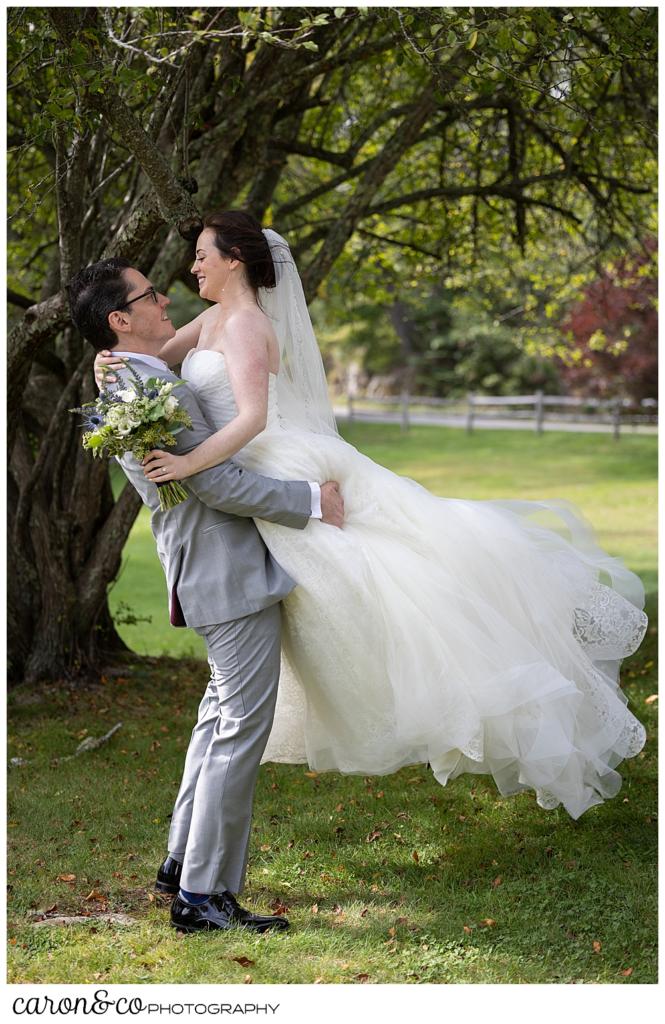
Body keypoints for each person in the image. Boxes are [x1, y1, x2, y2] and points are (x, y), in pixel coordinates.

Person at [95, 211, 648, 822]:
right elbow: (150, 359)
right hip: (241, 470)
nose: (192, 265)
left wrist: (190, 462)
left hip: (265, 457)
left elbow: (251, 417)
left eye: (203, 254)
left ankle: (447, 686)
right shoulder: (211, 319)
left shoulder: (248, 325)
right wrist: (106, 363)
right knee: (317, 605)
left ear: (235, 261)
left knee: (375, 580)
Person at [68, 257, 345, 934]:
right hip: (224, 570)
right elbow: (211, 483)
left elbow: (196, 466)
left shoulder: (130, 375)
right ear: (119, 319)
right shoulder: (136, 389)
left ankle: (180, 869)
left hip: (208, 565)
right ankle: (205, 897)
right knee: (238, 733)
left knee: (216, 721)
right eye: (149, 295)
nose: (164, 299)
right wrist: (310, 500)